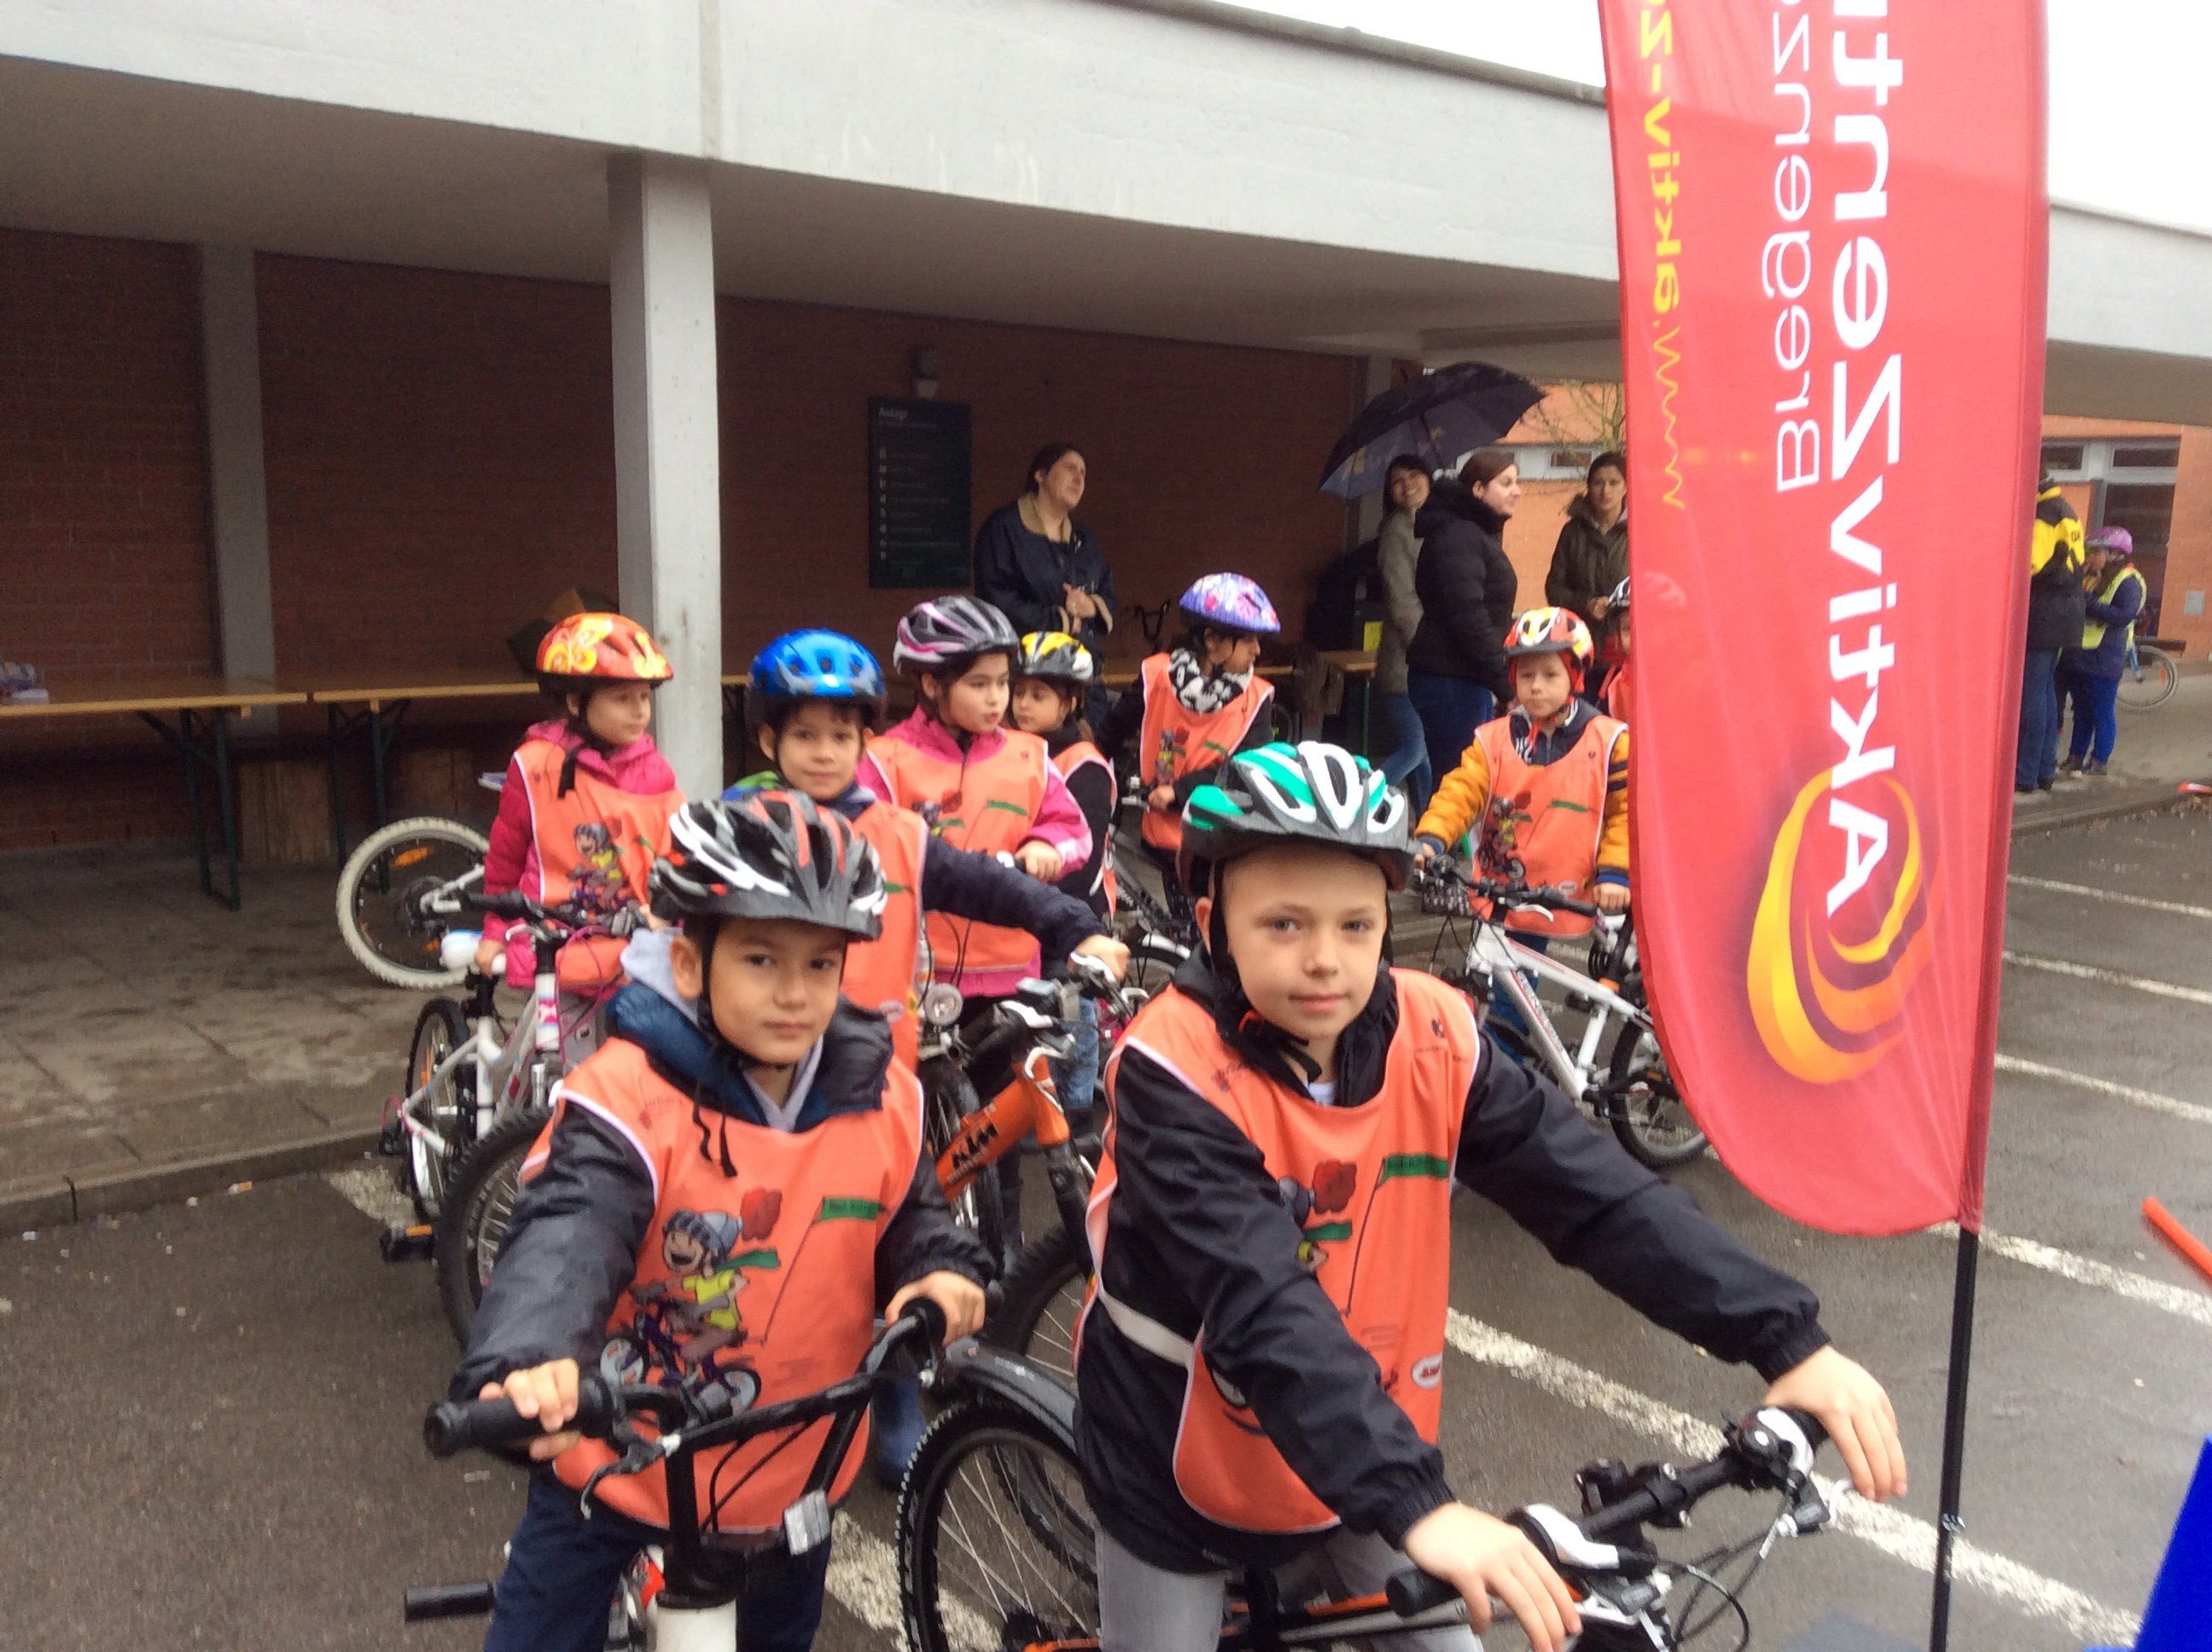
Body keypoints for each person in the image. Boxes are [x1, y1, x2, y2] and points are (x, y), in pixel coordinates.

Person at [1075, 742, 1906, 1652]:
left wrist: (1783, 1335)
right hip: (1179, 1459)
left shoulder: (1436, 1034)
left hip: (1355, 1435)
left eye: (1356, 925)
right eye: (1283, 924)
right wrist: (1418, 1504)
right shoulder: (1169, 1068)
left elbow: (1593, 1194)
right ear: (1212, 925)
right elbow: (1260, 1297)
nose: (1325, 961)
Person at [454, 794, 992, 1652]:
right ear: (689, 963)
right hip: (621, 1465)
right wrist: (529, 1354)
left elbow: (909, 1214)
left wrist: (939, 1267)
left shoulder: (882, 1094)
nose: (795, 994)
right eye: (760, 958)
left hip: (793, 1472)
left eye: (822, 964)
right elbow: (569, 1231)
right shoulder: (628, 1096)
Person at [725, 626, 1124, 1483]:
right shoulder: (741, 830)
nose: (824, 751)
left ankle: (895, 1389)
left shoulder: (899, 834)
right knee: (766, 1244)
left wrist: (1073, 926)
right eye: (803, 734)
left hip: (879, 1079)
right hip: (761, 1079)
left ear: (865, 739)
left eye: (841, 734)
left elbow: (988, 884)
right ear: (767, 740)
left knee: (887, 1236)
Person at [859, 596, 1096, 1005]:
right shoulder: (883, 760)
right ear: (932, 684)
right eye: (979, 684)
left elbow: (1075, 831)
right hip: (914, 975)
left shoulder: (1030, 756)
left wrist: (1048, 845)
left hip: (1013, 977)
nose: (996, 698)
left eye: (1003, 683)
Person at [474, 612, 685, 1052]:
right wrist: (496, 927)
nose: (640, 711)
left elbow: (677, 857)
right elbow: (505, 857)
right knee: (562, 1070)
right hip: (556, 950)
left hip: (636, 950)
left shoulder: (656, 772)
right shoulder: (535, 765)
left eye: (644, 696)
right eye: (623, 698)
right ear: (575, 702)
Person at [1411, 608, 1628, 1028]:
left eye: (1550, 674)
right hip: (1503, 885)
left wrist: (1616, 873)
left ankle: (1509, 1057)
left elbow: (1624, 814)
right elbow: (1462, 790)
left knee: (1511, 1001)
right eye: (1525, 675)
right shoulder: (1493, 738)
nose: (1536, 686)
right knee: (1494, 987)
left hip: (1567, 889)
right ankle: (1506, 1053)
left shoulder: (1609, 742)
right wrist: (1431, 838)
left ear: (1575, 676)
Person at [1095, 573, 1280, 889]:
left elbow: (1248, 773)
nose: (1257, 651)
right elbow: (1112, 730)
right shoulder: (1156, 676)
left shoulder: (1256, 699)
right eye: (1248, 639)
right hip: (1166, 835)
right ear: (1212, 640)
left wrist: (1179, 792)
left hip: (1219, 837)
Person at [1010, 628, 1117, 1129]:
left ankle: (1075, 1123)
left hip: (1071, 917)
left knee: (1075, 1026)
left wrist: (1036, 909)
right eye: (1018, 692)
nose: (1022, 704)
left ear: (1071, 702)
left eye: (1039, 695)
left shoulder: (1084, 766)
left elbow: (1082, 862)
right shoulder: (1024, 752)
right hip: (1027, 913)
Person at [975, 442, 1116, 718]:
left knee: (1086, 741)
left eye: (1083, 473)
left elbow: (1108, 592)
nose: (1079, 478)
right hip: (1024, 677)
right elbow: (997, 599)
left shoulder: (1083, 539)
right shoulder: (1004, 528)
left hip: (1080, 676)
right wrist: (1059, 620)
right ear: (1040, 475)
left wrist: (1090, 606)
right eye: (1070, 468)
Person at [1405, 448, 1521, 784]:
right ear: (1478, 489)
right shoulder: (1459, 536)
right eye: (1506, 483)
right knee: (1458, 785)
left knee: (1463, 782)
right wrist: (1506, 684)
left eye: (1517, 482)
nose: (1517, 491)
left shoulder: (1474, 533)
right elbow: (1468, 617)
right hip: (1451, 680)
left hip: (1465, 677)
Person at [2059, 526, 2148, 777]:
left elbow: (2123, 616)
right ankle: (2075, 757)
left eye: (2096, 551)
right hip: (2081, 655)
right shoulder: (2093, 577)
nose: (2090, 555)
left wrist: (2088, 603)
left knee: (2102, 712)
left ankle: (2099, 761)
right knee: (2082, 712)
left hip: (2104, 658)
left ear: (2114, 554)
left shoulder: (2128, 581)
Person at [1374, 456, 1434, 811]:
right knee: (1415, 747)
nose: (1407, 485)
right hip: (1405, 666)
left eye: (1414, 475)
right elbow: (1402, 603)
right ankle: (1360, 801)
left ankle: (1430, 826)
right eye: (1397, 480)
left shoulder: (1430, 524)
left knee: (1425, 758)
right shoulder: (1397, 529)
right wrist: (1431, 647)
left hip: (1422, 662)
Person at [2020, 475, 2087, 794]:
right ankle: (2045, 771)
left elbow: (2030, 564)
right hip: (2067, 613)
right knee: (2046, 692)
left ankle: (2025, 774)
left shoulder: (2044, 514)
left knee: (2033, 694)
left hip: (2045, 612)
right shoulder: (2068, 511)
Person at [1600, 576, 1633, 724]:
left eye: (1646, 624)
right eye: (1627, 628)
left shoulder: (1694, 679)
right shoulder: (1617, 687)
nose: (1637, 635)